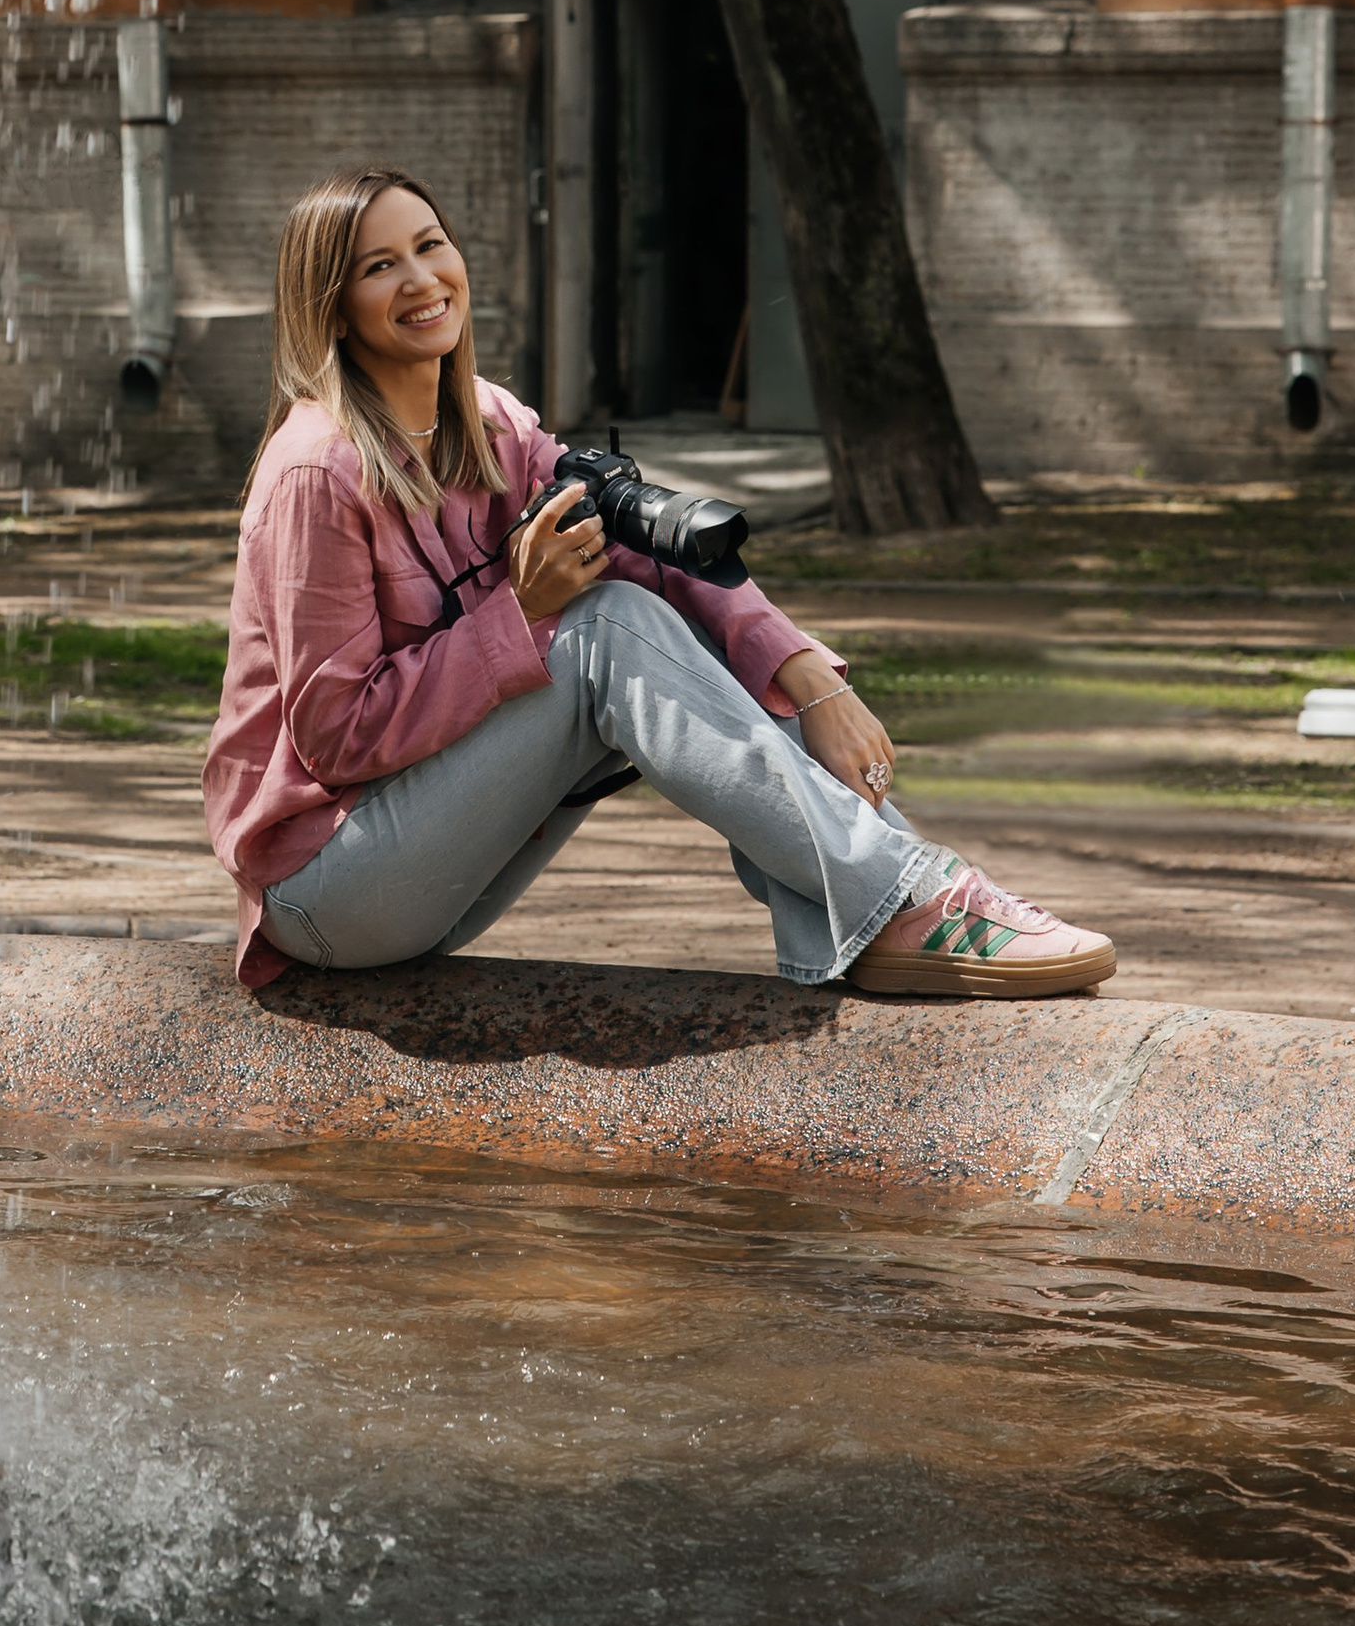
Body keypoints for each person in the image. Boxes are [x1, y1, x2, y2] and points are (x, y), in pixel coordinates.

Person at [205, 166, 1115, 1002]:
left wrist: (808, 677)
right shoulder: (316, 475)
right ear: (331, 305)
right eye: (379, 266)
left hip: (439, 870)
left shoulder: (490, 426)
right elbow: (335, 737)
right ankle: (909, 900)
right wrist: (520, 614)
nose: (420, 279)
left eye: (430, 244)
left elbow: (652, 554)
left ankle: (888, 909)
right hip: (330, 887)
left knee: (671, 620)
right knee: (602, 628)